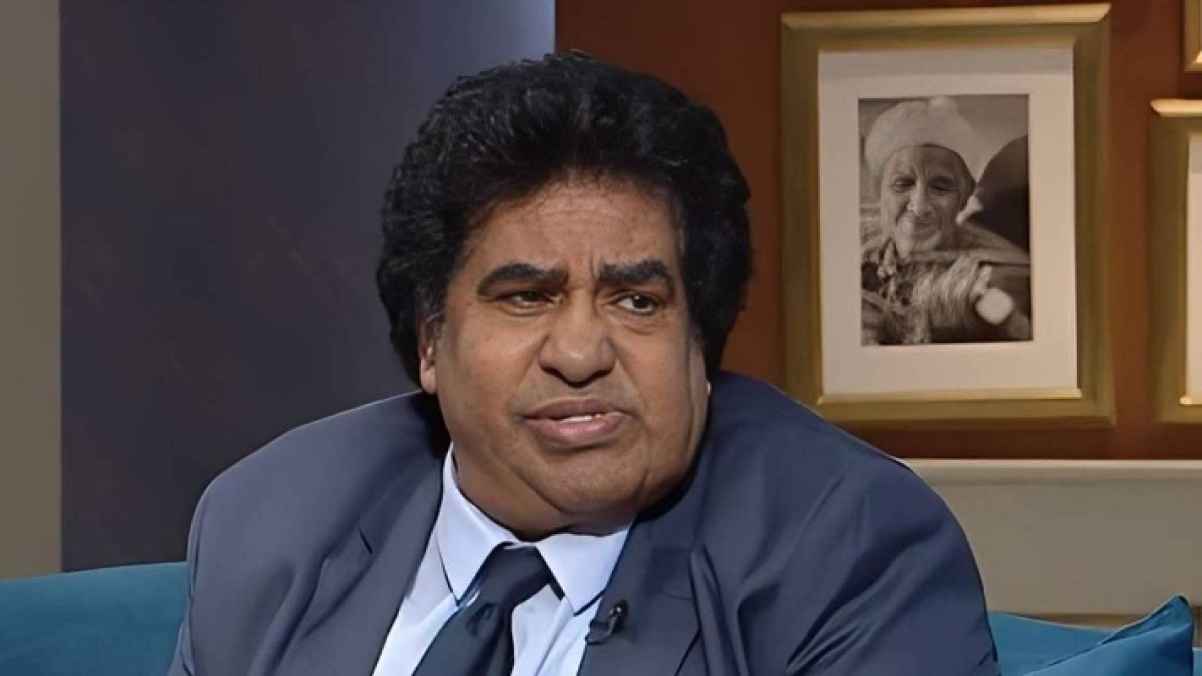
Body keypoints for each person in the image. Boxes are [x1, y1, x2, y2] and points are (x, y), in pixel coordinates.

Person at [168, 54, 998, 675]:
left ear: (700, 344)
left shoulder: (849, 548)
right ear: (430, 341)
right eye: (526, 297)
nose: (579, 353)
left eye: (636, 301)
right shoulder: (273, 521)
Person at [861, 96, 1032, 345]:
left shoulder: (1001, 272)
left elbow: (1018, 326)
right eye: (902, 184)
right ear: (878, 192)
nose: (919, 206)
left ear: (964, 197)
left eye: (940, 187)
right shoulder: (854, 250)